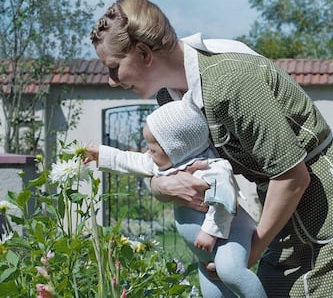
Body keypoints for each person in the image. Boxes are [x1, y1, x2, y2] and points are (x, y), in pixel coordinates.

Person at [89, 0, 333, 298]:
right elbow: (165, 165)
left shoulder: (229, 81)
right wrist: (161, 186)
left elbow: (292, 177)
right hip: (286, 214)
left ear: (143, 53)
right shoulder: (169, 99)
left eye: (114, 67)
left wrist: (244, 258)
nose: (112, 80)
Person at [85, 91, 267, 298]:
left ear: (176, 148)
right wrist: (100, 154)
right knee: (213, 294)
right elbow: (132, 160)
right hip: (205, 252)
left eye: (153, 149)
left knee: (231, 271)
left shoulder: (212, 168)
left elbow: (224, 199)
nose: (148, 152)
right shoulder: (167, 164)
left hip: (229, 235)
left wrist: (210, 231)